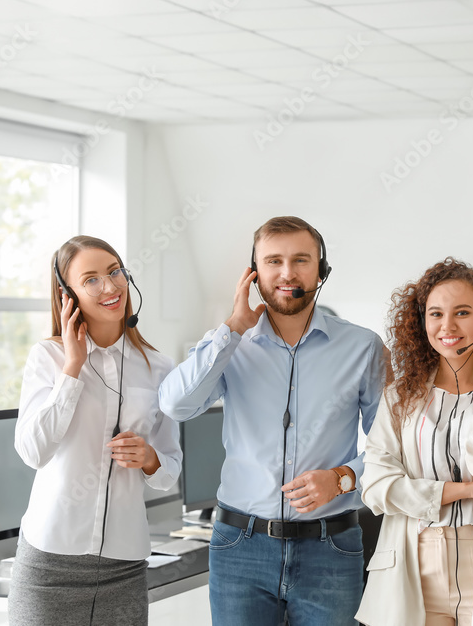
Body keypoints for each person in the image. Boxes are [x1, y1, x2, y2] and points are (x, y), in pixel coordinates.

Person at [159, 216, 385, 626]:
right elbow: (176, 405)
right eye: (273, 261)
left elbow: (393, 448)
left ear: (322, 270)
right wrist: (232, 328)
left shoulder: (363, 347)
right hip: (239, 547)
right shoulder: (227, 344)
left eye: (301, 260)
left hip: (330, 546)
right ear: (253, 273)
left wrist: (341, 479)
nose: (287, 273)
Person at [357, 258, 473, 626]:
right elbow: (377, 488)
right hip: (414, 565)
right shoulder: (399, 398)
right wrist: (465, 492)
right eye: (436, 314)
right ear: (421, 322)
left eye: (462, 312)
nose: (447, 326)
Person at [10, 236, 182, 626]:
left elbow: (168, 474)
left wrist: (151, 460)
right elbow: (33, 452)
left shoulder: (158, 366)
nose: (110, 286)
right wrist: (72, 368)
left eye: (115, 271)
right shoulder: (48, 357)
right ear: (66, 294)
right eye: (90, 279)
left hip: (124, 567)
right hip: (49, 566)